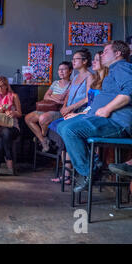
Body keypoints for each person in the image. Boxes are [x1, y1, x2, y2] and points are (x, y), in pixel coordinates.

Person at [57, 41, 132, 193]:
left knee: (70, 130)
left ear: (117, 54)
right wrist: (82, 113)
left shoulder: (122, 67)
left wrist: (107, 108)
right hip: (101, 118)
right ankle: (93, 165)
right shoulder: (113, 70)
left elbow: (130, 90)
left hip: (116, 122)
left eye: (105, 51)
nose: (102, 54)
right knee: (62, 125)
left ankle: (89, 171)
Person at [51, 51, 108, 185]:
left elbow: (90, 101)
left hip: (85, 113)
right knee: (57, 129)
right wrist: (65, 107)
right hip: (79, 112)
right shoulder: (78, 76)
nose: (73, 61)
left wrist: (73, 111)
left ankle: (85, 168)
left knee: (65, 131)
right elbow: (69, 95)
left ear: (84, 61)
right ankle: (71, 171)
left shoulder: (91, 77)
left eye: (76, 59)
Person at [25, 62, 72, 152]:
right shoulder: (55, 83)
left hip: (58, 111)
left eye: (64, 69)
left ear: (70, 71)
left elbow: (65, 100)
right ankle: (43, 141)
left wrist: (53, 97)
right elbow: (46, 96)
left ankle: (42, 136)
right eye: (59, 69)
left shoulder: (71, 84)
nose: (61, 71)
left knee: (43, 119)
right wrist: (58, 98)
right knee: (28, 118)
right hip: (48, 108)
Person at [0, 76, 22, 177]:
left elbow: (20, 113)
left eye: (2, 86)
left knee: (2, 135)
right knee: (2, 134)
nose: (0, 89)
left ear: (7, 86)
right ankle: (9, 159)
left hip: (13, 127)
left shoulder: (14, 96)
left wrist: (13, 113)